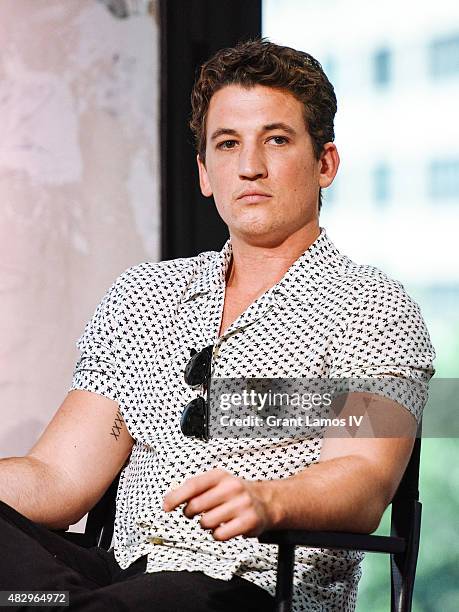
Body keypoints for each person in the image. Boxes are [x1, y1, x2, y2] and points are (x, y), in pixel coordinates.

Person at [0, 39, 435, 611]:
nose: (250, 166)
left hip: (251, 587)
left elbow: (362, 480)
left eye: (276, 140)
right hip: (119, 578)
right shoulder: (143, 297)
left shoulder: (375, 306)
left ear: (325, 163)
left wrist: (268, 500)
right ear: (205, 172)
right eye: (227, 145)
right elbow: (57, 476)